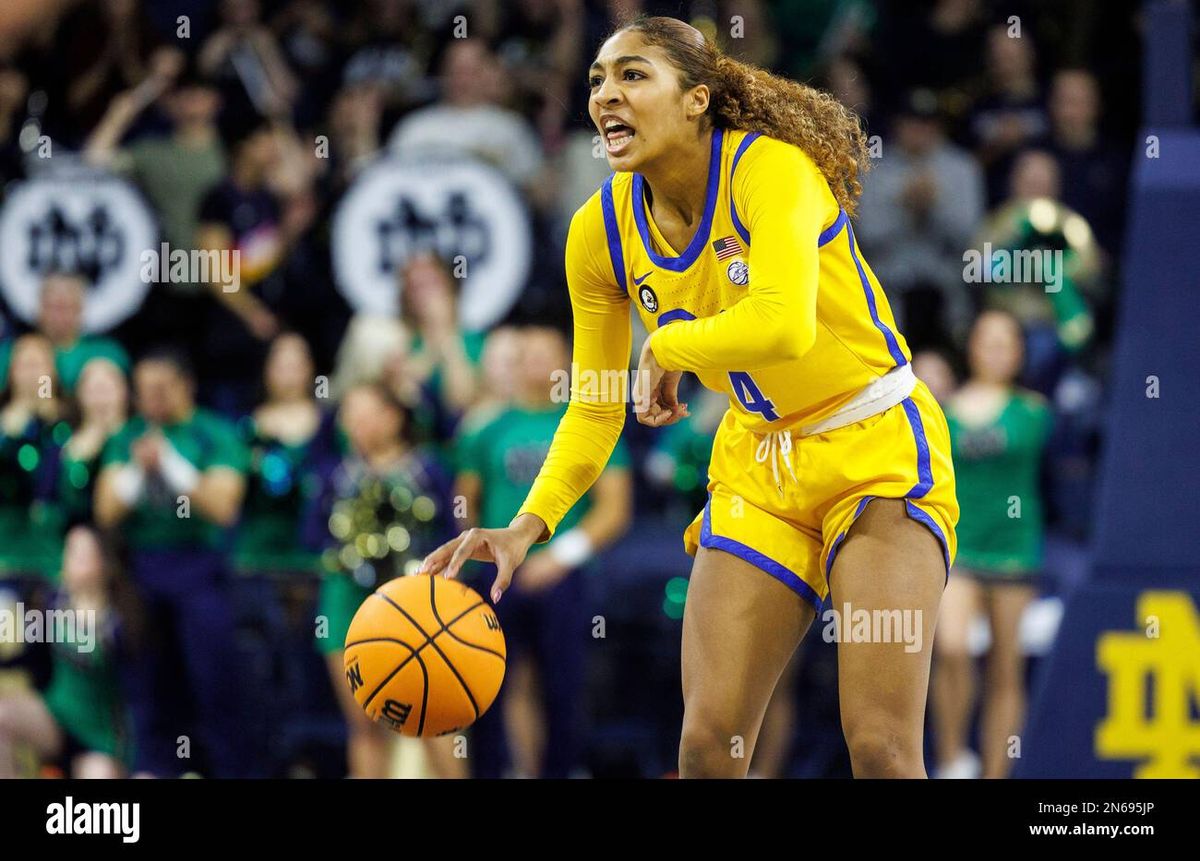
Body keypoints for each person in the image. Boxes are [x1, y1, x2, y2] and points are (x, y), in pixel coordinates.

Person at [419, 17, 959, 779]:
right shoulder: (597, 229)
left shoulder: (770, 170)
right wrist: (526, 525)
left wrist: (666, 345)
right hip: (758, 461)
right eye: (597, 81)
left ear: (697, 99)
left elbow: (782, 326)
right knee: (707, 746)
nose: (607, 93)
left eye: (633, 75)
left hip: (873, 442)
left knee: (880, 746)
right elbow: (597, 403)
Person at [454, 325, 632, 778]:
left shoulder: (590, 423)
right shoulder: (487, 428)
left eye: (544, 352)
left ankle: (562, 770)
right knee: (487, 685)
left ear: (567, 363)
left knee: (563, 689)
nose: (534, 362)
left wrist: (559, 557)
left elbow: (614, 509)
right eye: (525, 353)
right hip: (497, 574)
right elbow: (464, 502)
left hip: (562, 576)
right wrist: (482, 552)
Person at [93, 349, 251, 777]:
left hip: (199, 569)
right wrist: (138, 473)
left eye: (160, 389)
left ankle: (227, 770)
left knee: (213, 681)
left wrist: (171, 466)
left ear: (186, 385)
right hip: (142, 570)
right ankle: (154, 770)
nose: (151, 400)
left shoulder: (213, 433)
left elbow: (223, 507)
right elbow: (105, 511)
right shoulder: (127, 437)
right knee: (147, 683)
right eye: (143, 391)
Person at [307, 382, 458, 778]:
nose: (355, 423)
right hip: (346, 601)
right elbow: (312, 535)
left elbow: (451, 531)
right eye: (349, 414)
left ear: (394, 417)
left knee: (436, 717)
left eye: (366, 412)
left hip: (419, 602)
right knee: (364, 722)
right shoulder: (334, 474)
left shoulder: (427, 469)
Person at [933, 310, 1051, 779]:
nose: (996, 351)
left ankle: (997, 772)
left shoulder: (1035, 410)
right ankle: (952, 759)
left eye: (1007, 342)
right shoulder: (943, 410)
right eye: (987, 341)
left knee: (1006, 668)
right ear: (972, 347)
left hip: (1014, 549)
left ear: (1020, 353)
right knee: (953, 647)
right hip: (960, 547)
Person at [0, 525, 133, 778]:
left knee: (100, 776)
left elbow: (140, 698)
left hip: (98, 739)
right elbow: (30, 654)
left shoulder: (119, 621)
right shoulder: (54, 601)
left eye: (84, 554)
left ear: (105, 562)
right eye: (71, 552)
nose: (74, 560)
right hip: (56, 720)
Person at [0, 334, 67, 582]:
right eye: (24, 364)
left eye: (39, 364)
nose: (32, 372)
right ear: (11, 372)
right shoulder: (3, 424)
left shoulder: (68, 422)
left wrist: (49, 419)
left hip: (55, 554)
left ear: (53, 371)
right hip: (5, 552)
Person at [0, 272, 130, 396]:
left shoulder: (106, 353)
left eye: (66, 308)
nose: (58, 317)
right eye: (52, 307)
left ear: (81, 310)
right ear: (39, 309)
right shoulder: (12, 353)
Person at [57, 357, 129, 527]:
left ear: (124, 391)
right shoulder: (62, 442)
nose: (101, 398)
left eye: (107, 389)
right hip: (78, 533)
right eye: (94, 390)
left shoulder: (139, 437)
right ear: (79, 395)